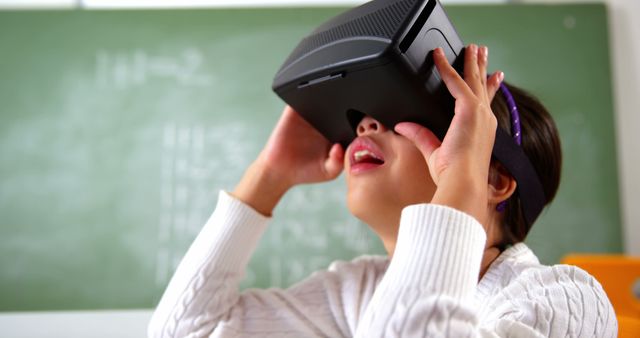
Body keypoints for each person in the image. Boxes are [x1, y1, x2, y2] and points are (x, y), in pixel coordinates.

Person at [148, 45, 617, 337]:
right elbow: (190, 332)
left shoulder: (565, 302)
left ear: (492, 180)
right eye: (366, 117)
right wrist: (269, 175)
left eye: (408, 116)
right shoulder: (357, 290)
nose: (367, 124)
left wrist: (459, 182)